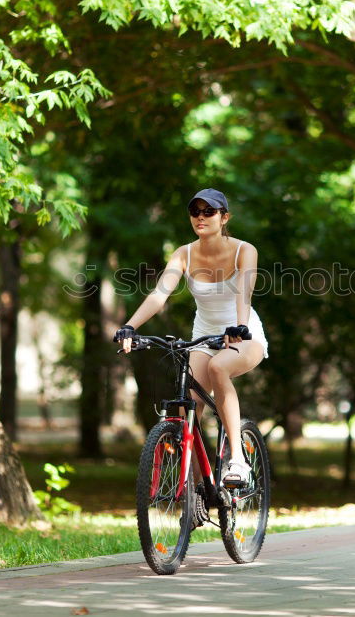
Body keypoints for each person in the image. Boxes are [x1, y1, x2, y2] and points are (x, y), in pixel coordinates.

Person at [113, 188, 267, 486]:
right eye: (195, 211)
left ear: (224, 218)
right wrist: (130, 326)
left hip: (243, 333)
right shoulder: (183, 253)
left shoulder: (243, 250)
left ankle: (237, 460)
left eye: (209, 211)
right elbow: (159, 295)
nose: (201, 217)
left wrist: (239, 326)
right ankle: (198, 488)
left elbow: (244, 294)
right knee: (187, 403)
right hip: (203, 336)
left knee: (219, 368)